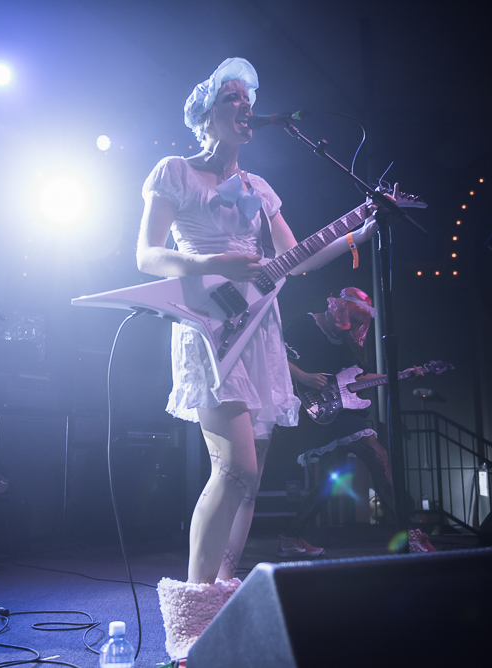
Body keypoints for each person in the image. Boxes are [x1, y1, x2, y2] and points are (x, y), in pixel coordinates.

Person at [138, 58, 377, 660]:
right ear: (207, 113)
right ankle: (189, 613)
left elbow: (294, 259)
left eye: (251, 99)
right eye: (234, 98)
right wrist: (209, 265)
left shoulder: (258, 188)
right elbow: (146, 256)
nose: (247, 107)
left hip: (259, 326)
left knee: (253, 478)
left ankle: (222, 595)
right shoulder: (174, 172)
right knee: (235, 467)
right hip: (208, 323)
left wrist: (355, 233)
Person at [272, 287, 397, 558]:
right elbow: (274, 356)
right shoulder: (306, 324)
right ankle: (408, 532)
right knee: (375, 452)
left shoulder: (344, 340)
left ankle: (291, 536)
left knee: (336, 477)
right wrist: (303, 376)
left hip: (337, 410)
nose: (349, 328)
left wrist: (398, 376)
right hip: (307, 407)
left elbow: (355, 378)